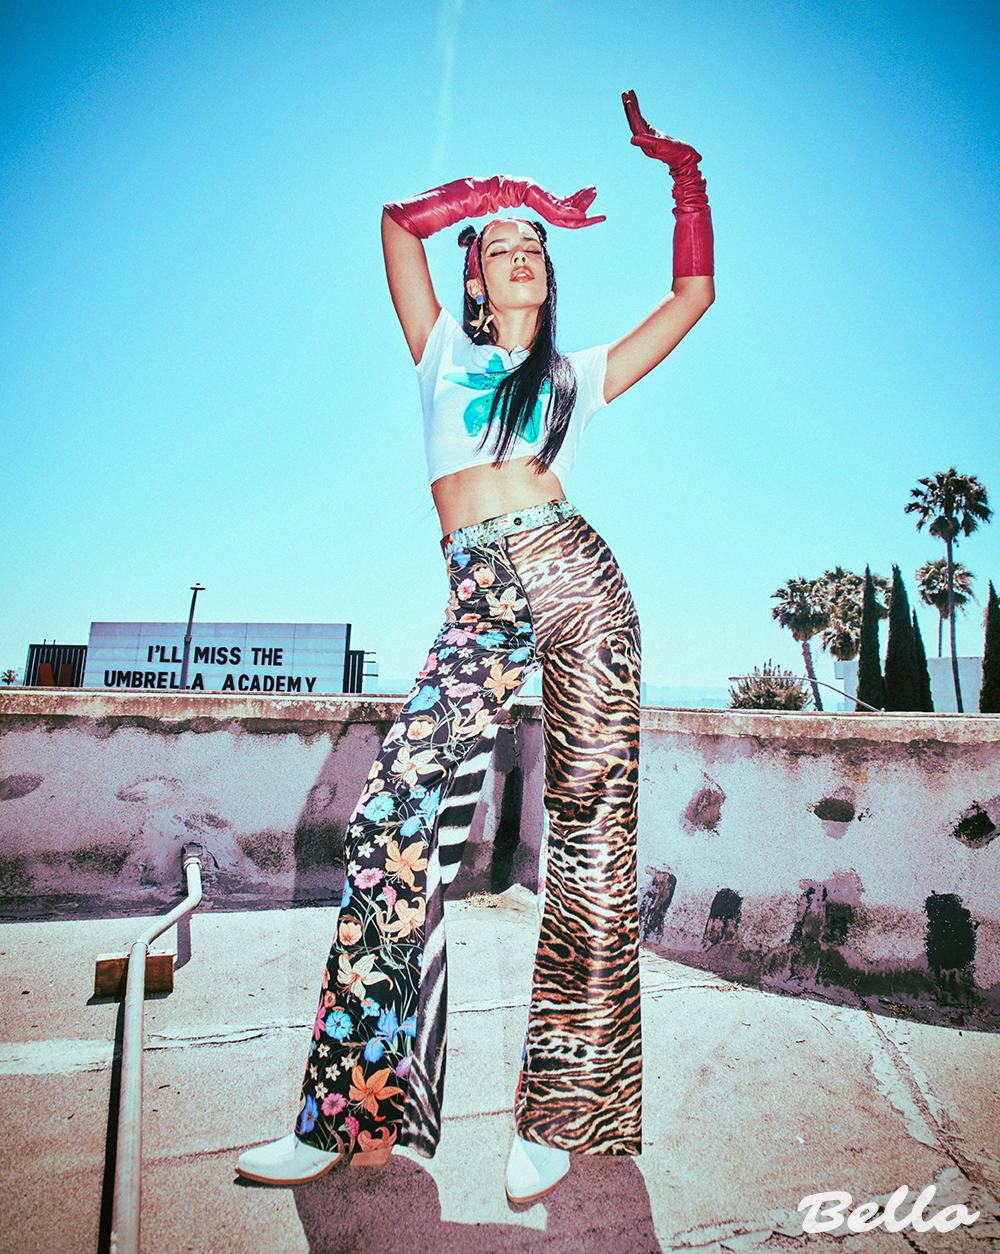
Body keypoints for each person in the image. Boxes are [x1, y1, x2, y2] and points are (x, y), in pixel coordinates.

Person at [236, 90, 714, 1202]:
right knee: (388, 825)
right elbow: (396, 223)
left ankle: (562, 1114)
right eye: (501, 246)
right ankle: (349, 1111)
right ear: (474, 279)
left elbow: (692, 296)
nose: (521, 252)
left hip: (579, 583)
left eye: (534, 245)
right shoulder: (439, 349)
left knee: (590, 843)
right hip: (478, 602)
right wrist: (510, 192)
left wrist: (685, 181)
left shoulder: (574, 375)